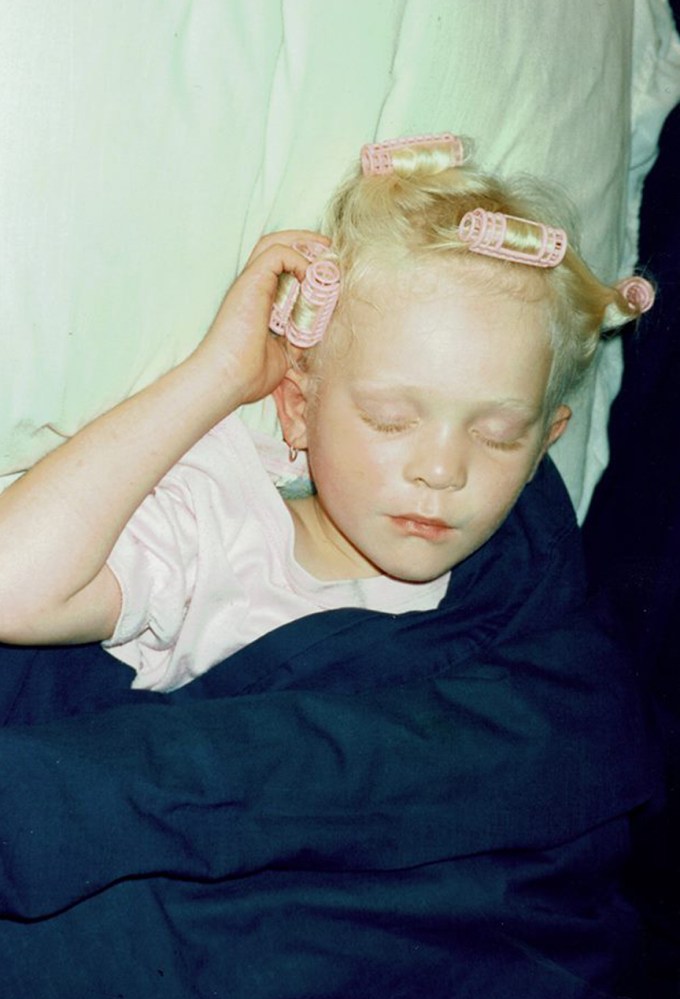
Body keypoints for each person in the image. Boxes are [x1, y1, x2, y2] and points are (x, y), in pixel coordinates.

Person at [0, 132, 654, 693]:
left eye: (498, 434)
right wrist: (220, 376)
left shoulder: (524, 587)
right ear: (297, 407)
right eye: (391, 419)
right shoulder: (221, 534)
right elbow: (12, 588)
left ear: (544, 445)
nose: (441, 470)